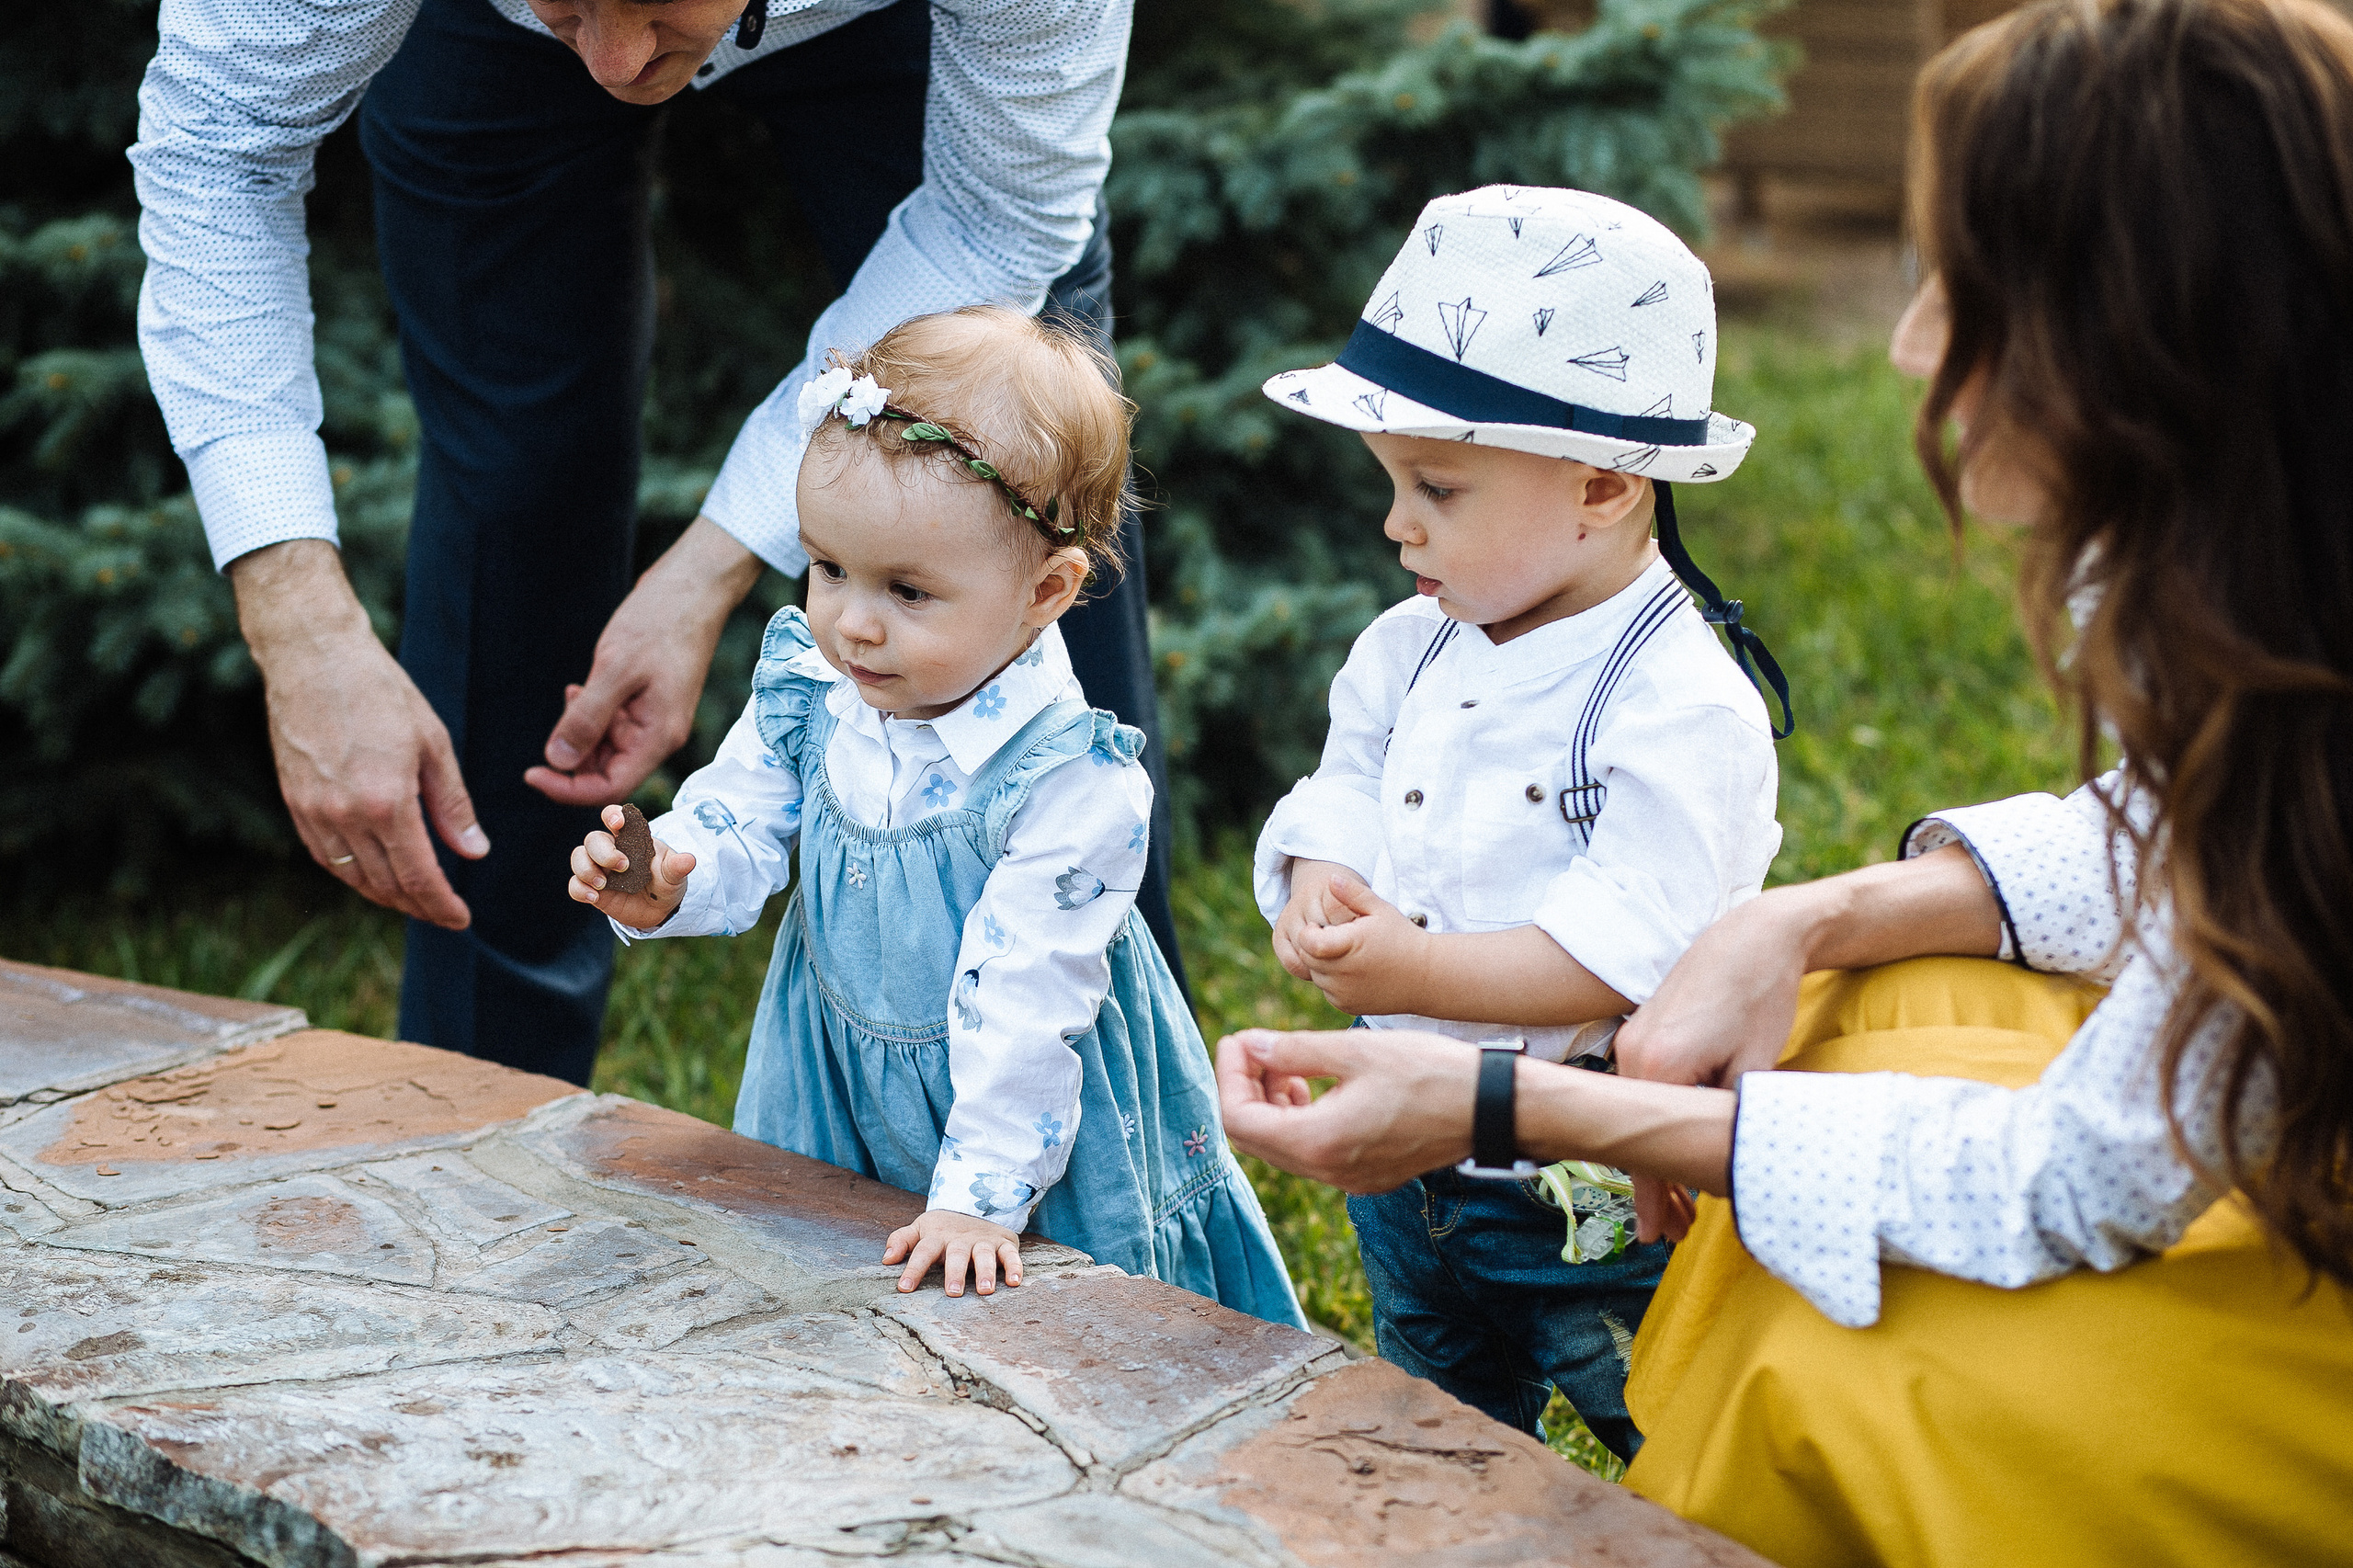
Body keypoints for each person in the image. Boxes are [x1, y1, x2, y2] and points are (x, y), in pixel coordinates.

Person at [1215, 0, 2353, 1558]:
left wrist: (1518, 1099)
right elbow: (2199, 845)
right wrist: (1808, 923)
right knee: (1845, 1027)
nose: (1906, 344)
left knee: (1838, 1375)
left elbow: (2082, 1176)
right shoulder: (2275, 594)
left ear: (2145, 339)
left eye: (1960, 285)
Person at [131, 0, 1185, 1092]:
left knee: (1013, 440)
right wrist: (300, 630)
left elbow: (998, 219)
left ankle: (1124, 1120)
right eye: (572, 2)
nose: (618, 61)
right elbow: (217, 151)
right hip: (475, 46)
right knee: (513, 489)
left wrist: (710, 564)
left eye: (647, 3)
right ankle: (477, 1118)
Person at [566, 307, 1304, 1324]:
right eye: (828, 568)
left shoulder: (1064, 780)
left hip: (1023, 1103)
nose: (851, 622)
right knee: (824, 1289)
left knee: (1049, 1319)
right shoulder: (814, 691)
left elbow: (1028, 996)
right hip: (836, 1079)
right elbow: (741, 819)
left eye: (907, 590)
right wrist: (670, 878)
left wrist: (981, 1196)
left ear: (1045, 588)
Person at [1248, 187, 1782, 1457]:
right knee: (1432, 1422)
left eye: (1436, 485)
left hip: (1585, 1183)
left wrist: (1414, 969)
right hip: (1408, 1167)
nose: (1395, 523)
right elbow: (1354, 780)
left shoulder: (1674, 698)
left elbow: (1626, 945)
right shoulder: (1411, 640)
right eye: (1390, 482)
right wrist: (1324, 879)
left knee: (1654, 1418)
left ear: (1600, 485)